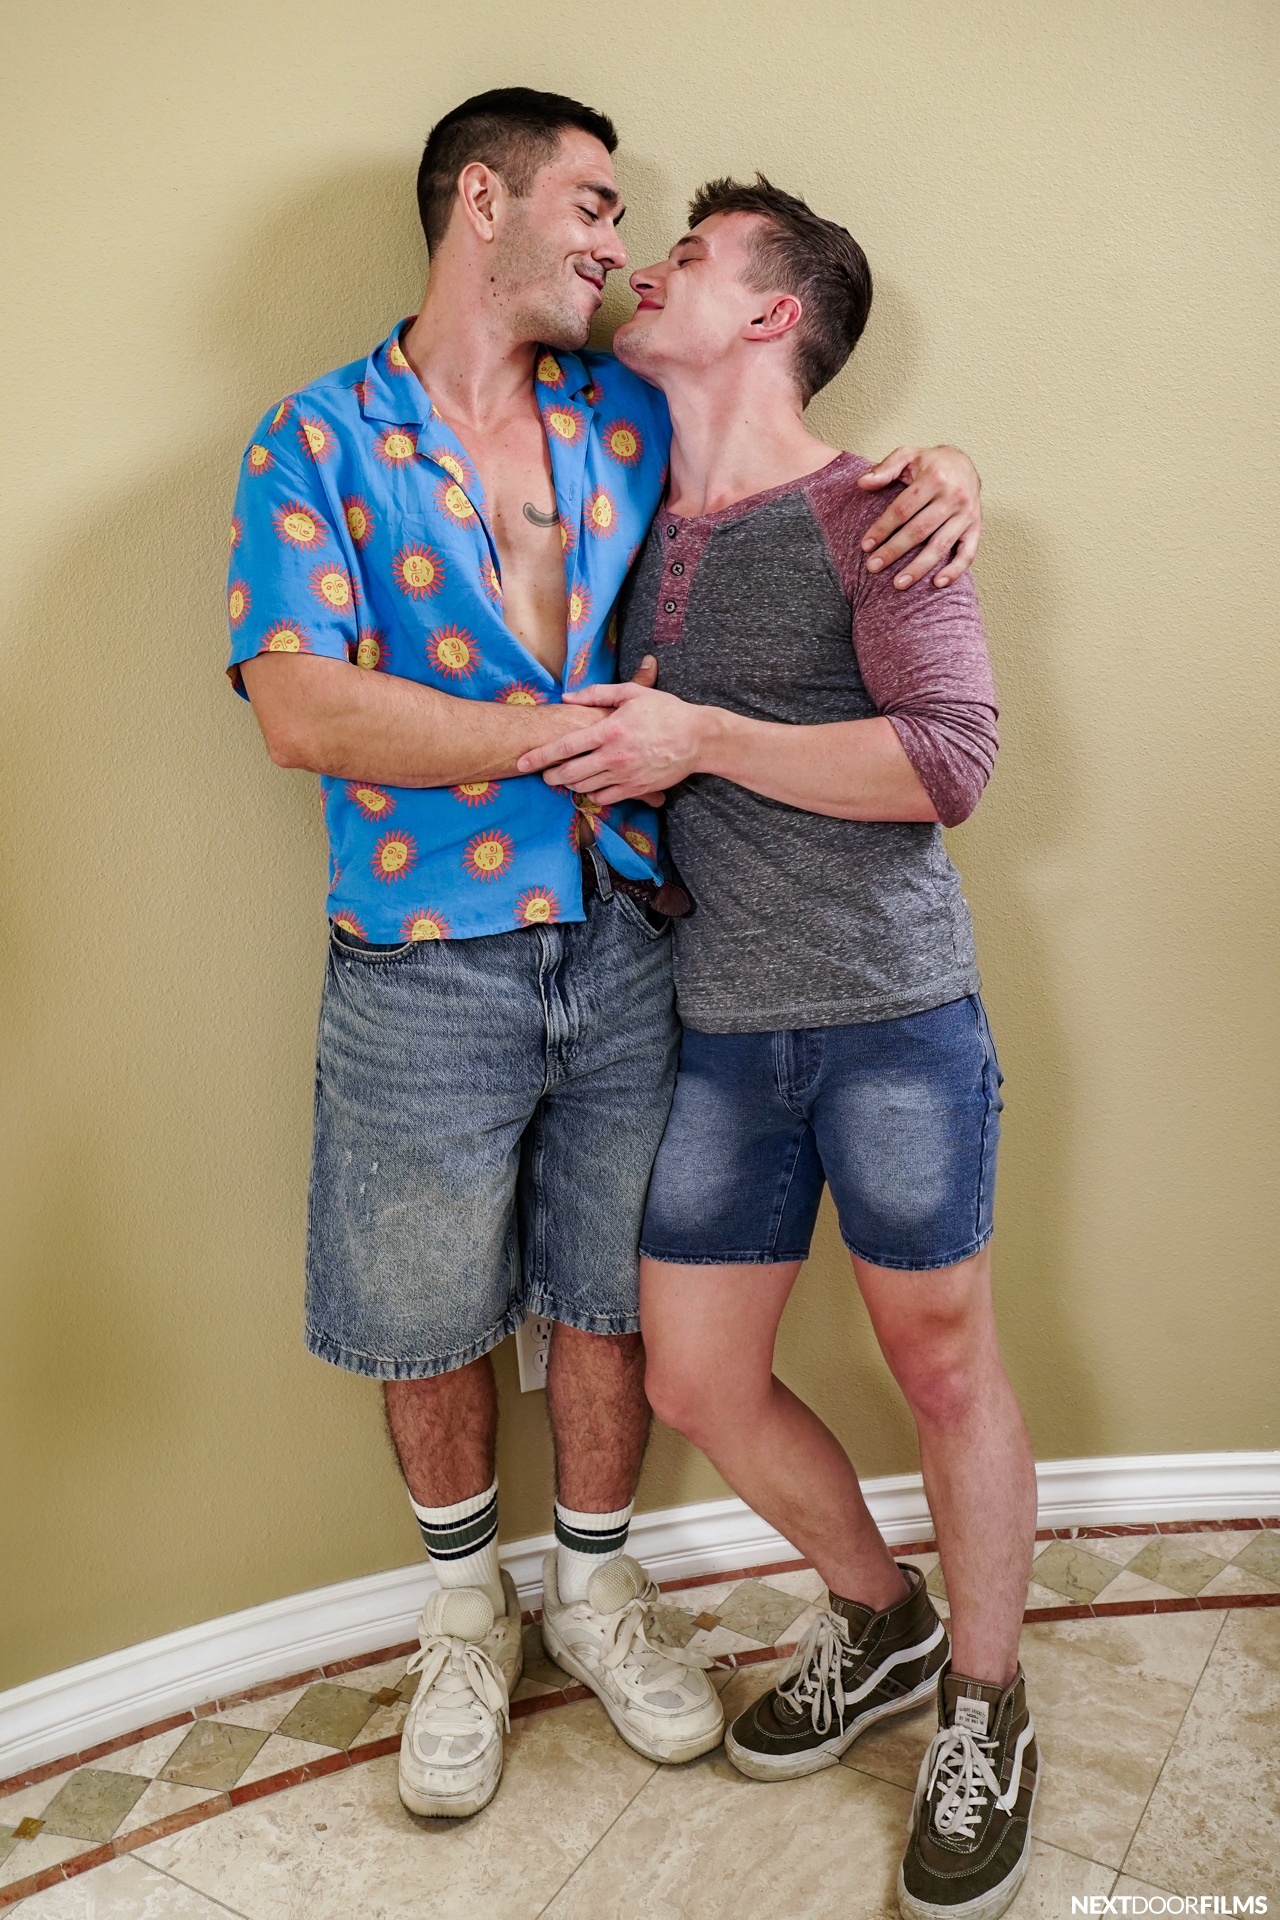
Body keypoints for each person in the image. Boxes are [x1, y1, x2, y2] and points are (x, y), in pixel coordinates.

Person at [226, 89, 985, 1821]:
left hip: (640, 938)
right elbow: (301, 708)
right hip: (419, 948)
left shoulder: (624, 411)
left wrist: (945, 468)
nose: (619, 247)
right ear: (480, 202)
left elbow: (787, 434)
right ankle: (461, 1619)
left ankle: (595, 1589)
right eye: (590, 205)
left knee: (605, 1298)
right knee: (425, 1310)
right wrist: (569, 739)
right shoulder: (315, 438)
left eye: (639, 224)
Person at [519, 178, 1037, 1919]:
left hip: (894, 1019)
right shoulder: (617, 507)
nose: (644, 268)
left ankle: (987, 1707)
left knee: (945, 1368)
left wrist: (700, 738)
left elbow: (949, 761)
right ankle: (882, 1621)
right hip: (720, 1036)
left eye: (688, 255)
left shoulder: (873, 508)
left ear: (770, 312)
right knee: (696, 1382)